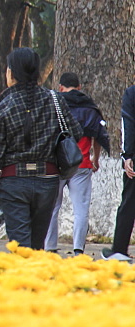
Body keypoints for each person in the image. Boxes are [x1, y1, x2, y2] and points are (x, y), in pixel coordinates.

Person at [0, 48, 83, 249]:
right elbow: (75, 132)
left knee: (20, 245)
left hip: (14, 184)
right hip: (48, 182)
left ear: (12, 73)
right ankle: (36, 278)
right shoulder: (55, 100)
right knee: (36, 244)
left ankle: (23, 279)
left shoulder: (1, 108)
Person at [44, 73, 110, 255]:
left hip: (55, 164)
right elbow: (98, 135)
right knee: (81, 209)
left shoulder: (54, 105)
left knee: (52, 207)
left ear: (60, 87)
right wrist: (95, 158)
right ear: (79, 87)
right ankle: (78, 248)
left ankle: (49, 247)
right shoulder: (90, 107)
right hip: (81, 164)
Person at [104, 82, 135, 262]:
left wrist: (127, 155)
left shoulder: (131, 93)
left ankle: (119, 248)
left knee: (129, 202)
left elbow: (128, 124)